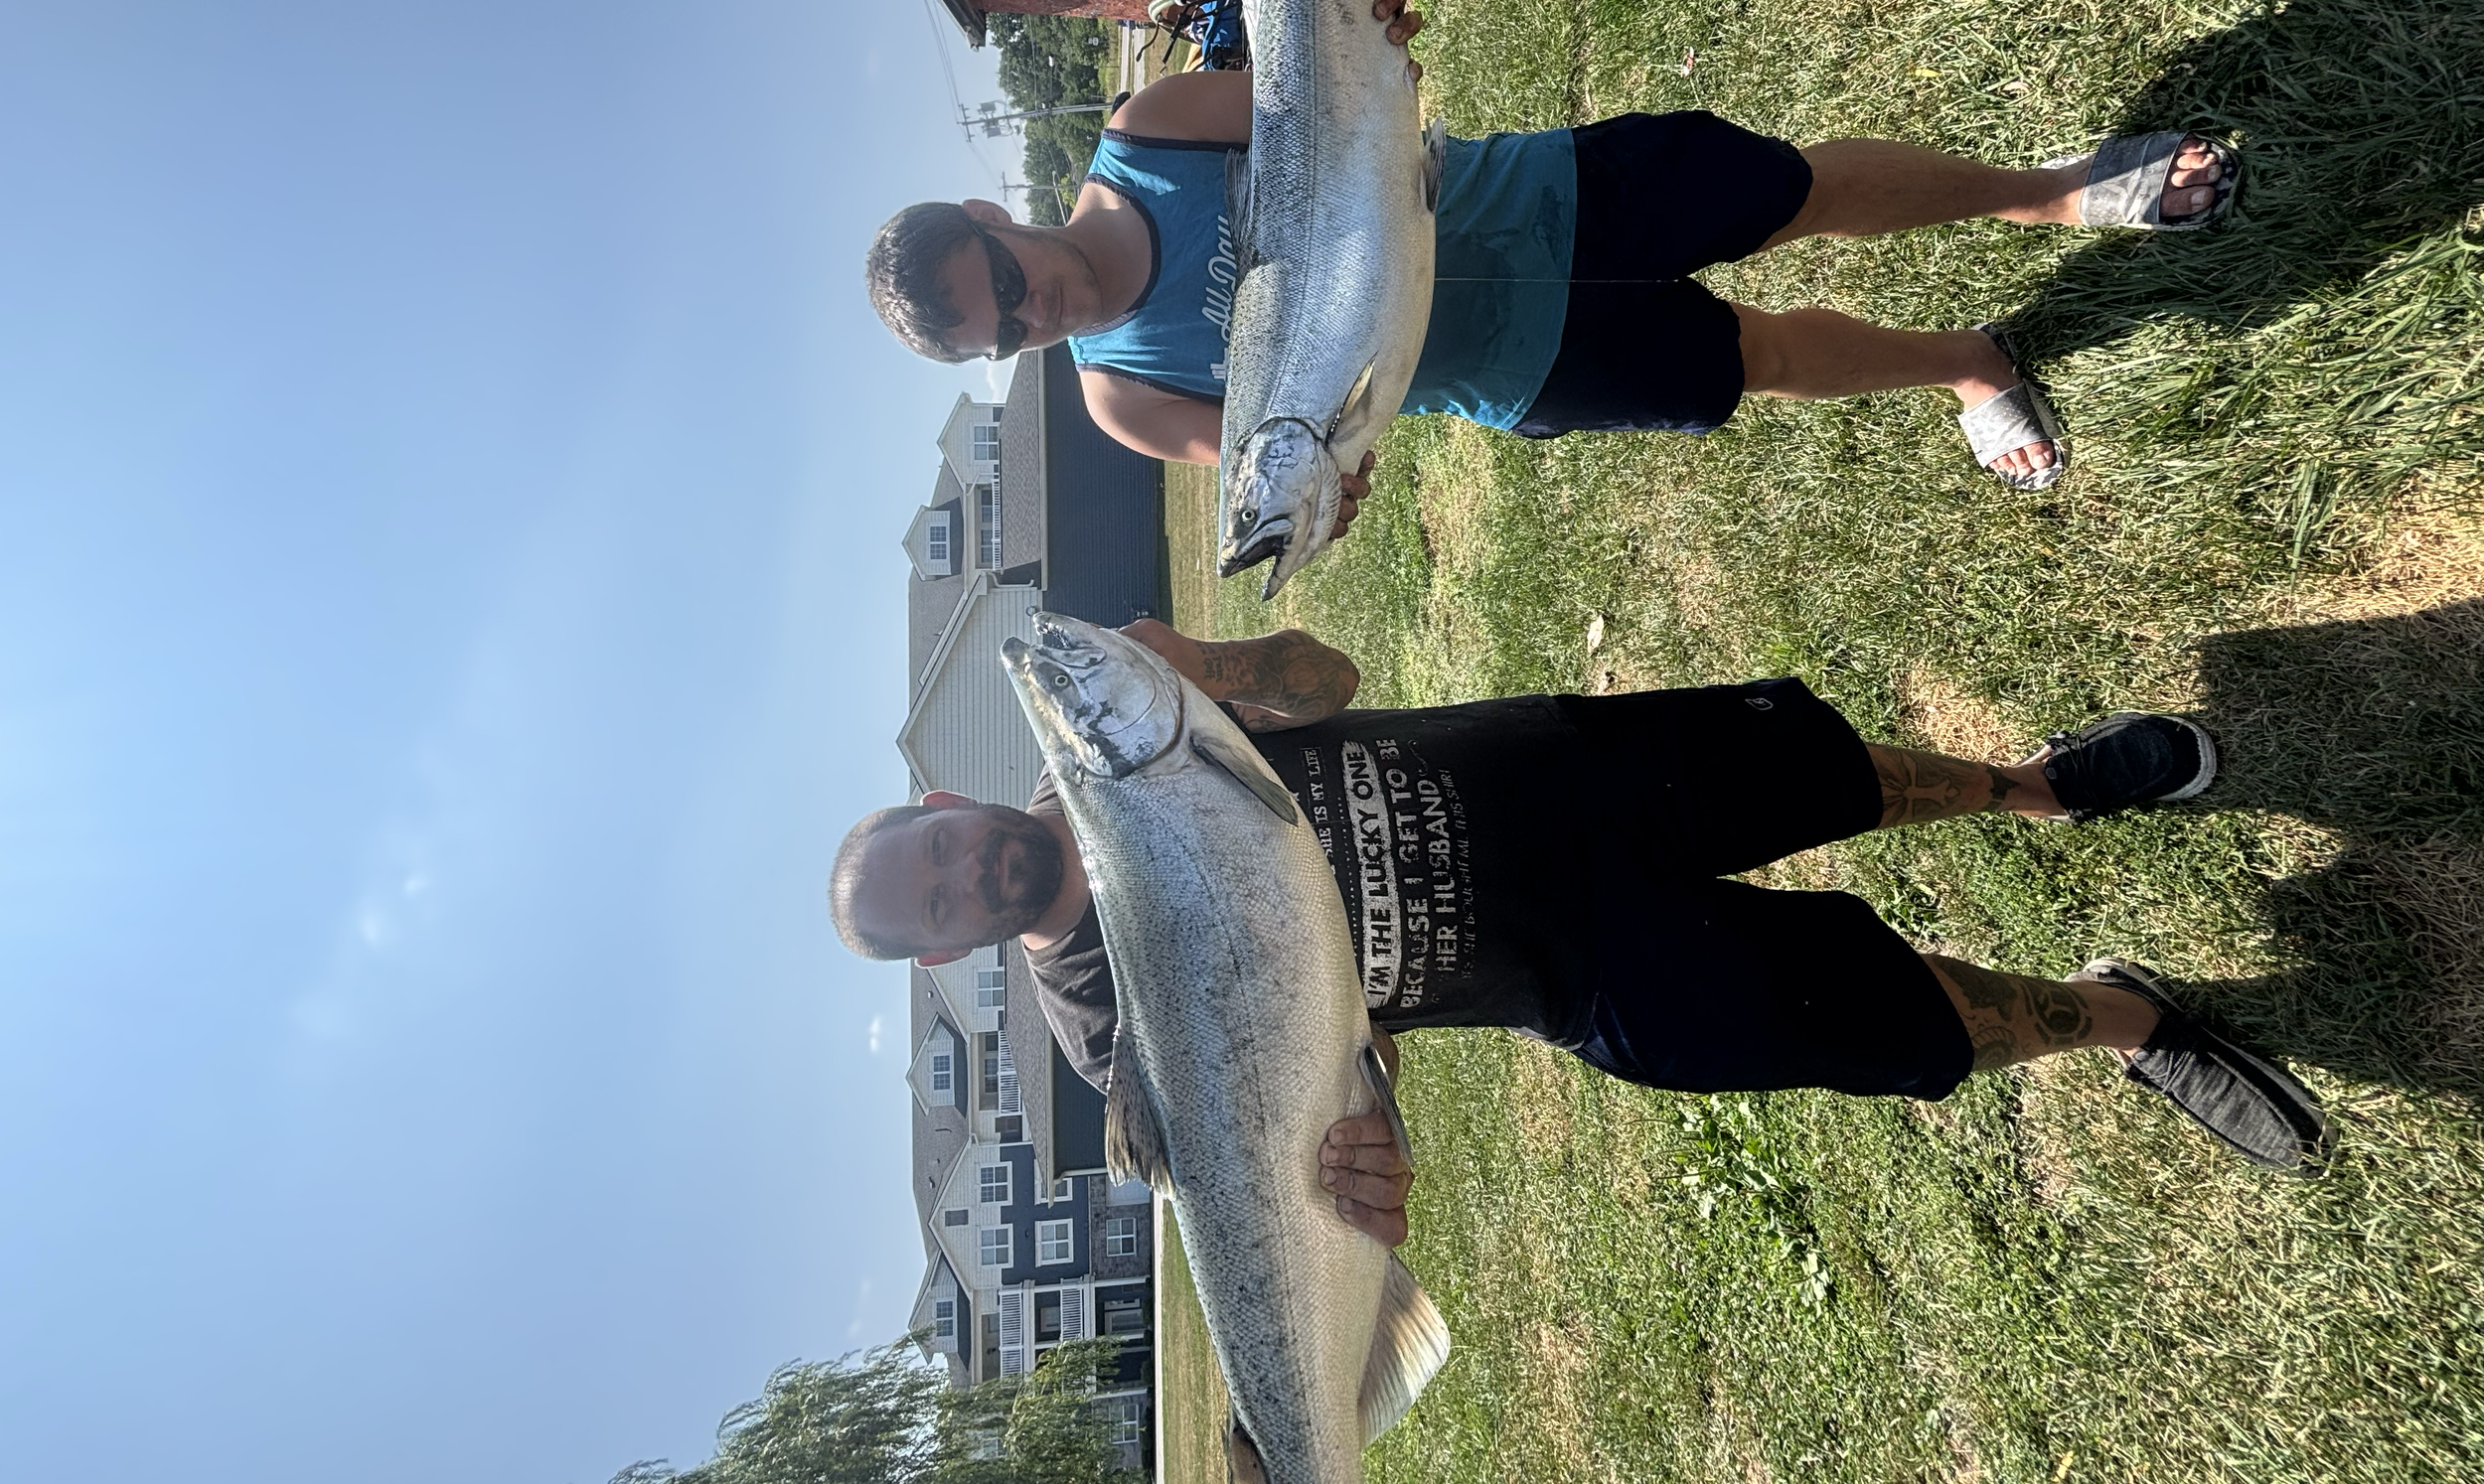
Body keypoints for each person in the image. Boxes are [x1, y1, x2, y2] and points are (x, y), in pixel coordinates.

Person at [830, 618, 2334, 1261]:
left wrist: (1212, 666)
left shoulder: (1107, 726)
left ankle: (2039, 787)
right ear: (943, 954)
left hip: (1552, 770)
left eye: (941, 844)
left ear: (948, 799)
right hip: (1571, 969)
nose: (969, 871)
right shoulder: (1107, 1032)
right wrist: (1361, 1158)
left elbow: (1328, 668)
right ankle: (2127, 1021)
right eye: (943, 900)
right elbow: (1312, 1112)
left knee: (1834, 774)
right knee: (1896, 1023)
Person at [864, 0, 2238, 498]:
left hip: (1535, 192)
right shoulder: (1120, 398)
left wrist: (1362, 29)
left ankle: (2056, 191)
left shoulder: (1153, 127)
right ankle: (1966, 363)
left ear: (994, 217)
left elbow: (1340, 96)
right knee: (1748, 360)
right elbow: (1294, 458)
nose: (1033, 305)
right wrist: (1325, 499)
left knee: (1793, 191)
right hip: (1518, 365)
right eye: (1010, 328)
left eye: (1002, 274)